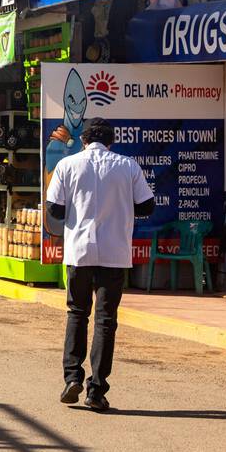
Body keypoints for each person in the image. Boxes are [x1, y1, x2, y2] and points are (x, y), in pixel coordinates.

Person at [45, 117, 154, 412]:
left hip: (79, 252)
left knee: (77, 313)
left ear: (83, 140)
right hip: (114, 253)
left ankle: (72, 378)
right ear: (111, 141)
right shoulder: (128, 165)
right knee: (106, 320)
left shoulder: (68, 165)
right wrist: (120, 206)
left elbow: (54, 208)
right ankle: (96, 389)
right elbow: (147, 206)